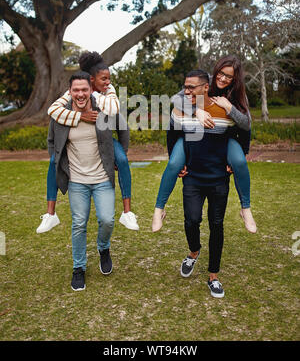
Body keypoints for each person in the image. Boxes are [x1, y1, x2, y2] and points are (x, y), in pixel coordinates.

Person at [152, 55, 256, 234]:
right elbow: (176, 99)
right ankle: (159, 209)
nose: (223, 78)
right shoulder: (203, 81)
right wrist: (196, 111)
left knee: (239, 162)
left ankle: (245, 208)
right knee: (175, 163)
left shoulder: (238, 94)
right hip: (191, 134)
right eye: (221, 74)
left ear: (235, 78)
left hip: (224, 136)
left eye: (229, 76)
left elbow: (246, 124)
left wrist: (229, 107)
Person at [37, 52, 139, 234]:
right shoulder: (73, 93)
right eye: (104, 79)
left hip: (105, 141)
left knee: (122, 160)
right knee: (54, 162)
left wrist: (118, 153)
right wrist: (81, 116)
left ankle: (127, 212)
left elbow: (118, 117)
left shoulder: (108, 92)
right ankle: (50, 214)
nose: (108, 82)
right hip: (76, 142)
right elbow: (53, 110)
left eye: (109, 78)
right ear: (92, 80)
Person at [48, 71, 129, 291]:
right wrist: (59, 164)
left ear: (91, 89)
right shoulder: (62, 114)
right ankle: (79, 268)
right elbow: (52, 141)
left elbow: (123, 129)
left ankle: (103, 247)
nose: (81, 94)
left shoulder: (103, 110)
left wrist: (120, 156)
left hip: (102, 177)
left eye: (84, 89)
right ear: (70, 91)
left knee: (107, 220)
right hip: (77, 181)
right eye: (76, 90)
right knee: (79, 224)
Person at [172, 69, 234, 298]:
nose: (186, 91)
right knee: (192, 219)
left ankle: (213, 276)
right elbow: (172, 134)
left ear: (205, 87)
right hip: (193, 177)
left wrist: (235, 159)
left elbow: (241, 132)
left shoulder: (223, 109)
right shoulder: (181, 109)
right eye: (185, 86)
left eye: (191, 87)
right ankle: (194, 251)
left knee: (216, 225)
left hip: (218, 178)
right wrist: (177, 162)